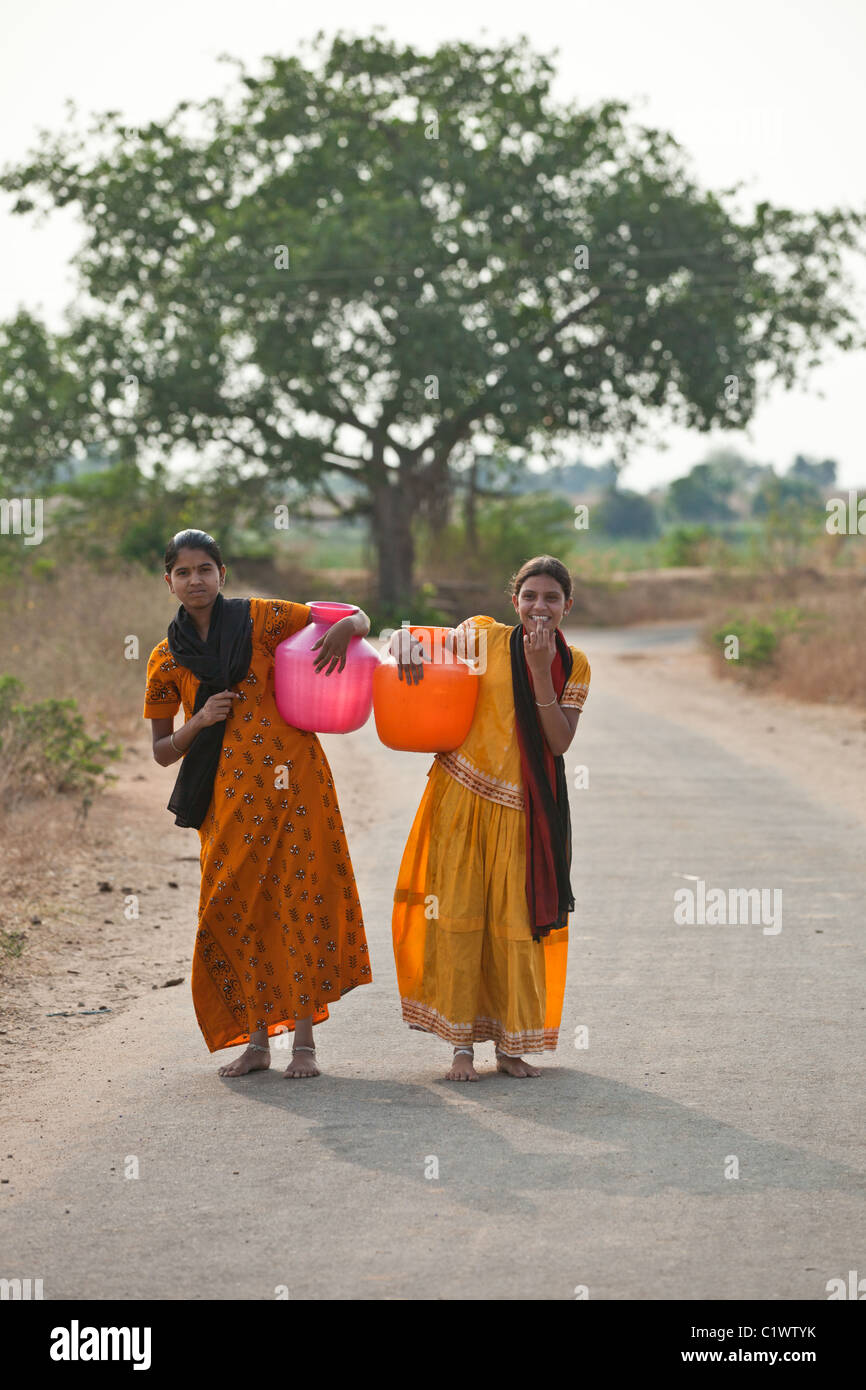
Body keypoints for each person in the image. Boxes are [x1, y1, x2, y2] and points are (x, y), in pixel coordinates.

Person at [143, 529, 372, 1079]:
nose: (195, 580)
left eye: (205, 569)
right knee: (237, 908)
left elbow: (356, 616)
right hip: (225, 802)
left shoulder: (262, 619)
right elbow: (159, 752)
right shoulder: (166, 657)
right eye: (183, 572)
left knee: (298, 900)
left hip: (296, 786)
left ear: (223, 573)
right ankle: (255, 1042)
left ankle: (304, 1044)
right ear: (168, 581)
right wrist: (197, 722)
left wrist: (346, 629)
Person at [391, 555, 590, 1081]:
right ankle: (460, 1047)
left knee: (513, 927)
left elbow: (559, 740)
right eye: (530, 597)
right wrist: (402, 642)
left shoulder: (574, 664)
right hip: (460, 797)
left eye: (551, 598)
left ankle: (509, 1046)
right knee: (457, 919)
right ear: (514, 602)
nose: (540, 608)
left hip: (525, 813)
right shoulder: (481, 638)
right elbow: (409, 638)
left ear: (568, 605)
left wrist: (541, 672)